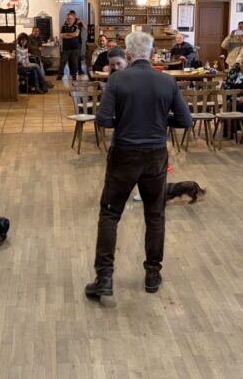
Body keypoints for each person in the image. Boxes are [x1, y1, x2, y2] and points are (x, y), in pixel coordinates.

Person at [85, 32, 192, 302]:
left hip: (124, 154)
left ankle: (104, 277)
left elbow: (103, 120)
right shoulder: (167, 81)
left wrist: (124, 120)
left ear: (129, 54)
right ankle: (152, 274)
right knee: (155, 215)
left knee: (110, 215)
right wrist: (160, 120)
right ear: (153, 52)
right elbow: (185, 120)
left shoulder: (118, 80)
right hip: (155, 155)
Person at [57, 11, 84, 81]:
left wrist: (66, 34)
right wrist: (70, 35)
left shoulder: (76, 26)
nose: (69, 20)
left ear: (74, 19)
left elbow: (76, 34)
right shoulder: (64, 26)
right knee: (62, 62)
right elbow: (61, 35)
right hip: (65, 48)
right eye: (68, 18)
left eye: (70, 19)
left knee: (74, 63)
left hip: (75, 48)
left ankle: (74, 75)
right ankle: (60, 75)